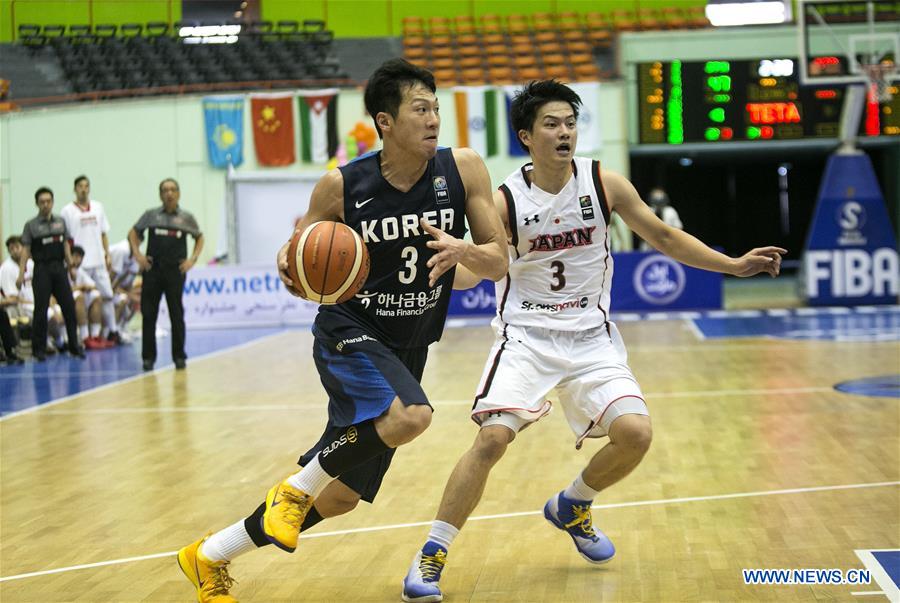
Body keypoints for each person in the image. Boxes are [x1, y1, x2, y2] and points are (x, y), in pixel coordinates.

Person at [401, 80, 786, 602]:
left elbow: (666, 237)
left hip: (591, 339)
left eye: (570, 123)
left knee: (637, 434)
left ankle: (573, 504)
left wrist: (733, 265)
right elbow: (482, 271)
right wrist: (453, 261)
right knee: (492, 439)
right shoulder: (506, 199)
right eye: (551, 125)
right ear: (526, 136)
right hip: (527, 337)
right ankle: (432, 554)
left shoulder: (605, 183)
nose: (564, 133)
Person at [175, 58, 508, 603]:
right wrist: (293, 264)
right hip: (349, 329)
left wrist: (465, 250)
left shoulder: (464, 169)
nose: (433, 120)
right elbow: (300, 267)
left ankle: (210, 555)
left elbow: (497, 262)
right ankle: (293, 488)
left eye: (436, 109)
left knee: (341, 498)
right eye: (419, 110)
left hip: (408, 344)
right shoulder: (342, 186)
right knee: (412, 415)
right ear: (385, 121)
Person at [128, 178, 203, 371]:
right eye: (165, 190)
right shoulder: (151, 215)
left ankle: (179, 356)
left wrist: (192, 260)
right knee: (149, 314)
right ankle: (148, 358)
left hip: (175, 272)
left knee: (176, 314)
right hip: (153, 271)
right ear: (160, 194)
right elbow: (133, 233)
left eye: (172, 190)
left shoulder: (186, 217)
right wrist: (138, 255)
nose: (169, 193)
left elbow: (199, 237)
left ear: (178, 193)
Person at [17, 187, 84, 361]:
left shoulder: (60, 222)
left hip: (59, 269)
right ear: (37, 204)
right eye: (42, 202)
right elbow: (25, 250)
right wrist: (21, 273)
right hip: (41, 270)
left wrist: (70, 266)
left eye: (48, 201)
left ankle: (74, 346)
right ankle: (38, 349)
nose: (45, 205)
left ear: (52, 202)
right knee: (41, 310)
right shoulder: (31, 225)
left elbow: (66, 245)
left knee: (69, 307)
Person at [60, 175, 120, 345]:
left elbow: (103, 233)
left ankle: (111, 331)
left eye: (86, 186)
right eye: (80, 186)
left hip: (98, 260)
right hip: (80, 263)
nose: (84, 189)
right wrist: (70, 260)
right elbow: (66, 239)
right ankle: (81, 337)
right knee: (83, 299)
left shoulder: (98, 207)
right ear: (75, 189)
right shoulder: (67, 211)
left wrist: (107, 254)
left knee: (107, 295)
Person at [68, 245, 109, 350]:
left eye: (80, 257)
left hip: (77, 300)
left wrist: (86, 287)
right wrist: (80, 287)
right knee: (80, 296)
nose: (78, 260)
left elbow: (93, 285)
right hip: (64, 300)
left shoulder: (80, 271)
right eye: (75, 256)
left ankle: (94, 336)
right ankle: (84, 337)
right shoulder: (62, 270)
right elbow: (61, 291)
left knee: (96, 296)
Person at [108, 238, 140, 339]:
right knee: (124, 299)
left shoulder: (134, 261)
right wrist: (130, 295)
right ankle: (113, 331)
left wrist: (132, 296)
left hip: (115, 288)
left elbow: (126, 285)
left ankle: (122, 328)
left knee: (135, 300)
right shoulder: (121, 251)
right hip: (107, 286)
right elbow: (112, 285)